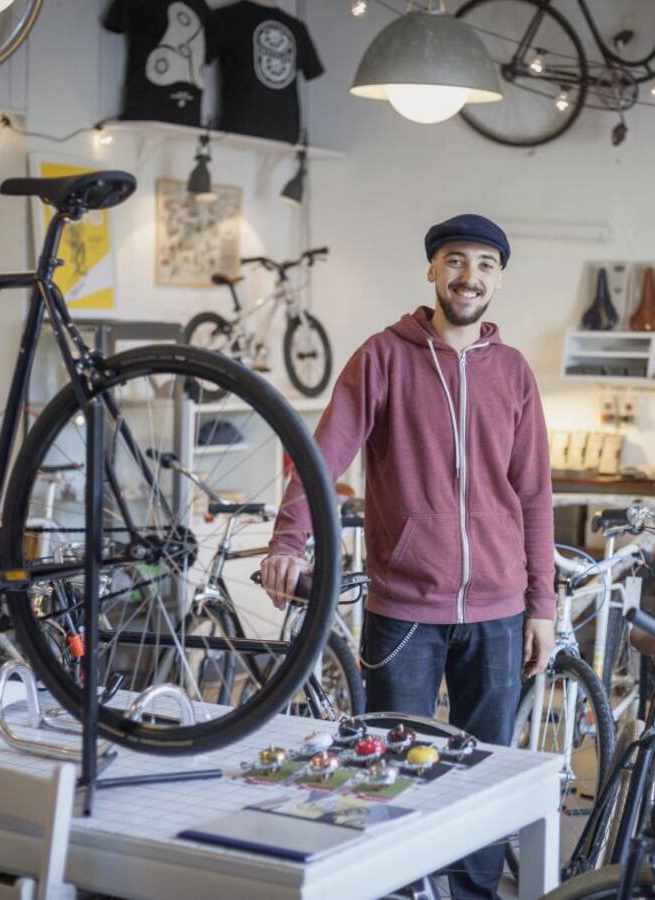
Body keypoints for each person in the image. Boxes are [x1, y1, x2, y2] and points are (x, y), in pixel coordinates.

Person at [261, 214, 554, 899]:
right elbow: (323, 456)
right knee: (390, 774)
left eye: (485, 264)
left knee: (484, 779)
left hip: (499, 609)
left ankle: (474, 896)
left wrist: (542, 603)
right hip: (404, 610)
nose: (469, 277)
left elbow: (534, 494)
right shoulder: (382, 357)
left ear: (499, 279)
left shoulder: (514, 372)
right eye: (456, 261)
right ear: (432, 270)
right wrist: (289, 539)